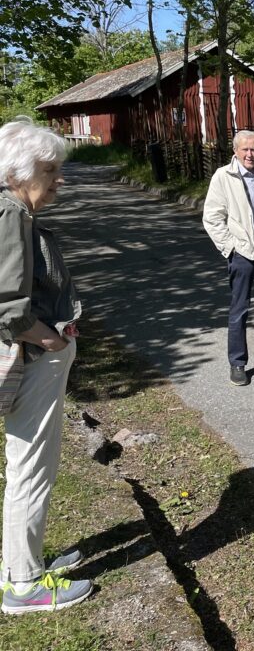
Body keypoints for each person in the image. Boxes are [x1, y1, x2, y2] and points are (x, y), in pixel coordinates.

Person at [0, 118, 92, 614]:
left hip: (33, 357)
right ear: (20, 171)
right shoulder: (11, 212)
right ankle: (23, 586)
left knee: (28, 464)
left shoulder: (13, 211)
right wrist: (51, 340)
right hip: (32, 359)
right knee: (31, 466)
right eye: (50, 169)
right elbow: (7, 309)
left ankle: (20, 563)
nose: (59, 178)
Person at [203, 130, 254, 386]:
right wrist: (230, 248)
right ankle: (237, 363)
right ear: (236, 151)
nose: (250, 154)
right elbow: (212, 218)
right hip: (243, 251)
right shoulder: (223, 176)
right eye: (245, 150)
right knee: (240, 308)